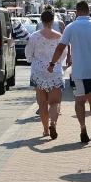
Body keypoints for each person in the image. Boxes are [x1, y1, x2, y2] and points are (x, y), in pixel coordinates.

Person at [49, 1, 91, 144]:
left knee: (79, 101)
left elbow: (60, 47)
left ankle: (82, 127)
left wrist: (52, 63)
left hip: (78, 71)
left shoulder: (71, 27)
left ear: (77, 11)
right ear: (89, 11)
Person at [27, 8, 65, 139]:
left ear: (41, 20)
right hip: (54, 70)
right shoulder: (59, 36)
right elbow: (62, 54)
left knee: (42, 103)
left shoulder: (34, 36)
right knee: (55, 102)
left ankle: (45, 130)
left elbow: (28, 55)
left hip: (39, 71)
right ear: (53, 20)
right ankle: (53, 123)